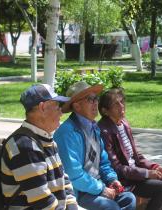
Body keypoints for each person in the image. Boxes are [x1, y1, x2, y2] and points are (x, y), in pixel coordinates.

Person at [53, 81, 136, 210]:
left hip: (95, 187)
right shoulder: (67, 133)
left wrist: (112, 180)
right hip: (78, 193)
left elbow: (103, 163)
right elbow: (75, 175)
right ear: (77, 106)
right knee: (111, 207)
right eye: (90, 99)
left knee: (129, 199)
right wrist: (102, 189)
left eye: (95, 98)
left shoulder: (94, 128)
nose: (96, 102)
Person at [97, 88, 162, 210]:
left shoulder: (123, 123)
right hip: (125, 180)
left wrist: (155, 167)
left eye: (122, 101)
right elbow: (117, 168)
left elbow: (136, 156)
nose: (122, 106)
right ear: (105, 111)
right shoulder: (104, 130)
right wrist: (147, 174)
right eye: (116, 104)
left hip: (136, 174)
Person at [1, 84, 78, 209]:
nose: (61, 112)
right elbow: (41, 200)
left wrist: (72, 206)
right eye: (58, 106)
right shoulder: (24, 146)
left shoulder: (46, 139)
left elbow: (64, 180)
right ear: (42, 107)